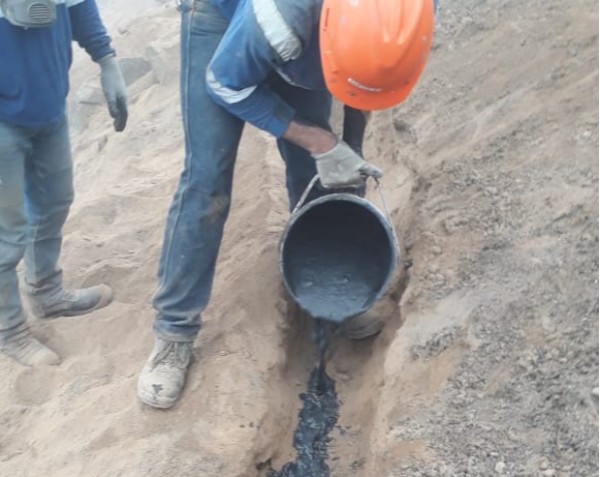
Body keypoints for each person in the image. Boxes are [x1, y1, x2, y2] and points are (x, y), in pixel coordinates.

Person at [138, 0, 434, 409]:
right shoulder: (282, 16)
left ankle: (330, 283)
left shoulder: (407, 17)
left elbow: (366, 82)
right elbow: (225, 84)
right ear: (334, 37)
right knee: (207, 183)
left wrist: (349, 150)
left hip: (310, 40)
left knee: (317, 169)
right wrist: (321, 141)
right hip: (221, 21)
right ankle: (174, 331)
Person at [0, 0, 128, 366]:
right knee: (7, 232)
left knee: (54, 201)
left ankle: (46, 294)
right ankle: (11, 331)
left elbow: (78, 4)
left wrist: (106, 60)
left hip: (48, 103)